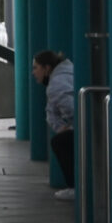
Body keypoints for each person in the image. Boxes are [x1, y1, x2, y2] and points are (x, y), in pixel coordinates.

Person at [35, 48, 76, 198]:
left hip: (86, 128)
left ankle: (74, 186)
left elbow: (73, 109)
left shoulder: (56, 84)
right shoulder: (65, 72)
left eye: (36, 68)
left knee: (59, 142)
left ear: (47, 68)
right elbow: (51, 111)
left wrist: (67, 127)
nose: (34, 72)